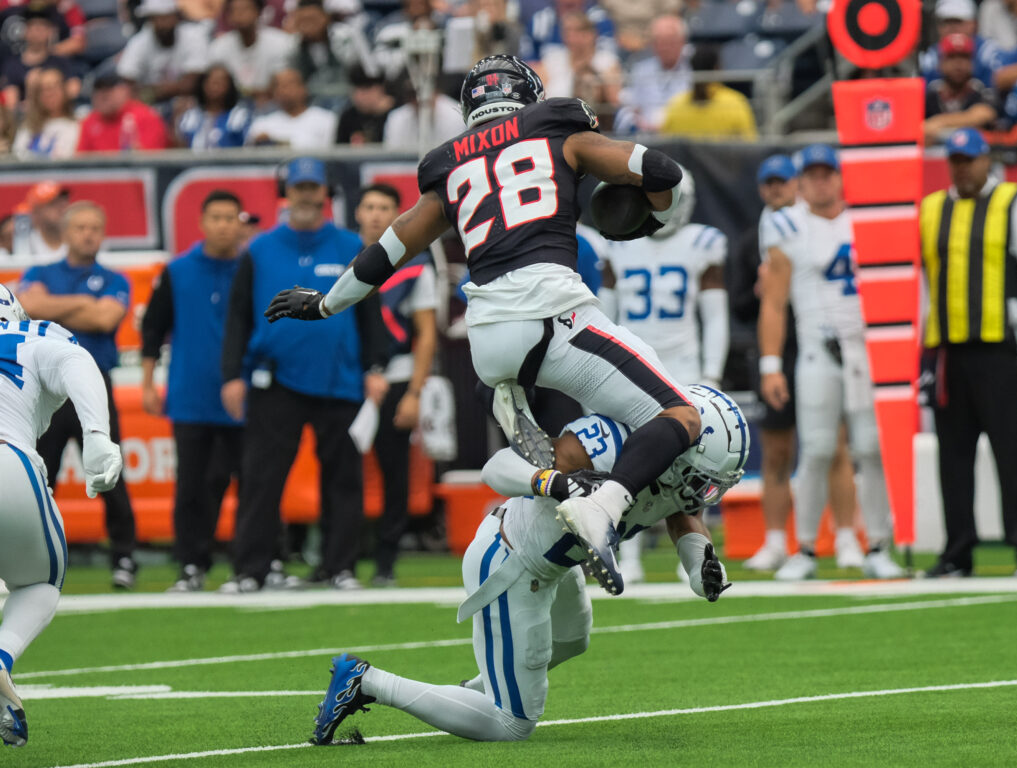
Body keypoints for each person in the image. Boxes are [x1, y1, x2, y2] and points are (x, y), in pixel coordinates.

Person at [265, 54, 701, 597]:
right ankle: (606, 505)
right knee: (679, 416)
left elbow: (391, 247)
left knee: (558, 437)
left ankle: (523, 432)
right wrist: (653, 218)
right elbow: (662, 172)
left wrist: (324, 304)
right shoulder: (558, 128)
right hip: (552, 310)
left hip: (488, 332)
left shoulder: (448, 165)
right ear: (530, 94)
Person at [306, 385, 744, 746]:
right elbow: (495, 467)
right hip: (511, 561)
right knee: (512, 725)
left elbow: (683, 513)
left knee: (572, 639)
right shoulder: (609, 444)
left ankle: (469, 696)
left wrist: (700, 564)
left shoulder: (673, 475)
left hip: (554, 564)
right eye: (705, 477)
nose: (705, 491)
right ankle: (365, 681)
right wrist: (552, 482)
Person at [221, 158, 391, 592]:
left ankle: (339, 567)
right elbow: (238, 316)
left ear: (325, 193)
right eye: (298, 187)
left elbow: (370, 312)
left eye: (313, 187)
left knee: (343, 479)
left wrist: (375, 367)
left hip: (341, 380)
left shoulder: (351, 244)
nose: (305, 195)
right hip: (275, 380)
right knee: (261, 478)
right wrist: (231, 375)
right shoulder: (259, 249)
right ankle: (251, 569)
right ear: (287, 192)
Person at [758, 145, 902, 581]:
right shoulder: (786, 226)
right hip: (817, 349)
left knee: (871, 449)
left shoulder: (863, 220)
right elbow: (775, 304)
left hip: (866, 348)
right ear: (802, 181)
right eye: (813, 174)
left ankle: (877, 544)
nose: (822, 181)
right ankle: (804, 549)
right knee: (818, 448)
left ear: (840, 177)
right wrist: (770, 364)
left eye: (828, 173)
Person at [0, 285, 122, 748]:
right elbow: (77, 363)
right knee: (39, 583)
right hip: (7, 461)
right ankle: (2, 656)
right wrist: (96, 434)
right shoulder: (31, 334)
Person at [600, 169, 728, 584]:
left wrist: (711, 373)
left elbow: (715, 315)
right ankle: (627, 551)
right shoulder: (617, 247)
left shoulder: (702, 244)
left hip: (684, 366)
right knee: (627, 457)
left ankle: (692, 552)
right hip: (635, 365)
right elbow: (604, 315)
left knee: (693, 466)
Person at [738, 155, 859, 572]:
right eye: (768, 183)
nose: (777, 190)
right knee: (777, 449)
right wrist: (760, 289)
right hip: (781, 346)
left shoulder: (822, 227)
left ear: (798, 186)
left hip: (819, 343)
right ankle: (776, 539)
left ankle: (845, 535)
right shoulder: (759, 234)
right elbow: (748, 304)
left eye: (783, 182)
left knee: (833, 444)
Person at [15, 201, 139, 588]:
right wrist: (82, 303)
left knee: (108, 469)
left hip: (92, 388)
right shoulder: (40, 271)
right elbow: (29, 306)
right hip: (45, 390)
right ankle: (27, 561)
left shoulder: (116, 279)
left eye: (95, 228)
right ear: (66, 233)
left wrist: (55, 309)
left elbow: (105, 318)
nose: (88, 234)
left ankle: (124, 558)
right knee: (34, 475)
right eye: (81, 227)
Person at [919, 128, 1017, 578]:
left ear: (988, 160)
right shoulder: (931, 209)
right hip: (948, 349)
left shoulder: (1012, 203)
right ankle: (957, 551)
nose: (962, 168)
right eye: (955, 160)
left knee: (1012, 453)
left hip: (1000, 347)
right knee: (953, 457)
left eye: (970, 160)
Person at [141, 190, 245, 593]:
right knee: (191, 486)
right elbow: (153, 328)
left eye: (229, 217)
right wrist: (149, 383)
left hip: (241, 398)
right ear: (201, 223)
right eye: (215, 217)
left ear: (240, 222)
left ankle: (253, 563)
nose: (222, 224)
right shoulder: (178, 271)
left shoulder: (251, 268)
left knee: (250, 483)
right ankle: (190, 565)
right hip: (190, 396)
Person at [354, 183, 438, 587]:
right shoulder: (341, 257)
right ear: (357, 213)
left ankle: (386, 559)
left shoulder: (415, 264)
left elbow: (425, 333)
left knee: (393, 473)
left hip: (397, 375)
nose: (375, 214)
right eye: (368, 206)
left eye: (384, 207)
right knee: (343, 472)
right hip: (348, 379)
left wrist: (415, 392)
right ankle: (340, 558)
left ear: (397, 215)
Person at [115, 0, 210, 104]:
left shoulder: (194, 36)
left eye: (166, 17)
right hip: (150, 105)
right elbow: (127, 85)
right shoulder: (139, 41)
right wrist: (175, 87)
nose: (161, 23)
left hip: (187, 103)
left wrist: (148, 91)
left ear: (176, 17)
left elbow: (190, 85)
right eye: (156, 18)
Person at [660, 45, 757, 141]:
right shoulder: (736, 103)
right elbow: (749, 144)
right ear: (717, 68)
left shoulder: (675, 105)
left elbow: (665, 144)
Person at [614, 15, 691, 134]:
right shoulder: (641, 69)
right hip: (646, 136)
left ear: (682, 42)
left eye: (669, 41)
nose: (664, 47)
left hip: (683, 136)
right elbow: (631, 107)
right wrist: (640, 123)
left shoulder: (694, 69)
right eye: (658, 42)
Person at [208, 0, 296, 101]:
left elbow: (282, 84)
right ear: (228, 16)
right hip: (231, 105)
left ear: (259, 12)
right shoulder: (219, 46)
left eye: (245, 9)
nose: (240, 14)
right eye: (234, 10)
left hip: (272, 104)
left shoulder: (281, 42)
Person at [923, 34, 998, 146]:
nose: (958, 64)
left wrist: (938, 122)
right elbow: (917, 127)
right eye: (952, 57)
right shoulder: (929, 95)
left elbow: (982, 115)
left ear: (973, 63)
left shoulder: (982, 91)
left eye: (964, 57)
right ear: (940, 63)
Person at [0, 6, 80, 108]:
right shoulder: (12, 65)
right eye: (33, 27)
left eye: (42, 27)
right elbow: (10, 103)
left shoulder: (61, 61)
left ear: (50, 31)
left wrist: (50, 92)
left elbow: (74, 89)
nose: (37, 32)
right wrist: (31, 92)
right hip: (26, 118)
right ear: (25, 31)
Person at [920, 0, 1009, 90]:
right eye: (946, 22)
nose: (952, 27)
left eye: (958, 22)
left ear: (973, 24)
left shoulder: (988, 51)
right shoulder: (932, 55)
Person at [247, 68, 338, 149]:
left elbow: (332, 158)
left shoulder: (326, 119)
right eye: (278, 86)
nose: (283, 90)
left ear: (303, 88)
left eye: (289, 84)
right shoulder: (261, 124)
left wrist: (278, 143)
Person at [76, 74, 168, 153]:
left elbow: (153, 158)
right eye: (98, 90)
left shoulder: (145, 116)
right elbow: (82, 160)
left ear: (124, 91)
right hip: (98, 172)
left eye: (108, 90)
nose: (103, 96)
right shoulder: (90, 121)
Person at [177, 65, 252, 150]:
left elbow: (247, 146)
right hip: (195, 162)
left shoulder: (239, 116)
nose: (215, 86)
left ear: (230, 86)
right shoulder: (190, 116)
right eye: (211, 81)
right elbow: (181, 148)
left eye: (220, 82)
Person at [12, 67, 80, 160]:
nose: (50, 93)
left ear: (65, 89)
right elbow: (17, 159)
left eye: (55, 87)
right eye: (44, 89)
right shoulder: (27, 128)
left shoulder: (78, 125)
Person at [334, 64, 394, 145]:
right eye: (356, 89)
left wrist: (380, 115)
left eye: (366, 88)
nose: (360, 95)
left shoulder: (396, 115)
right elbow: (339, 152)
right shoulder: (348, 117)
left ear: (381, 88)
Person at [23, 182, 70, 264]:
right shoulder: (23, 244)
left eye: (63, 202)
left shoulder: (79, 241)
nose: (62, 208)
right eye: (53, 204)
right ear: (36, 211)